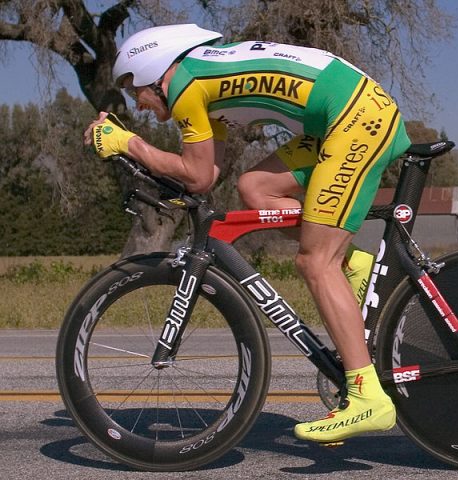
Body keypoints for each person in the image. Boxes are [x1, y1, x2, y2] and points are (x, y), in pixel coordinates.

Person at [83, 23, 411, 445]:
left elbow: (196, 174)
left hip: (355, 118)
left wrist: (129, 144)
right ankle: (355, 269)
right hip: (349, 112)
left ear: (154, 72)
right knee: (256, 188)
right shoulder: (203, 83)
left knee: (314, 261)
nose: (139, 106)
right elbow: (206, 178)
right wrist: (138, 152)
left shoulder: (186, 85)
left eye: (136, 93)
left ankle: (368, 397)